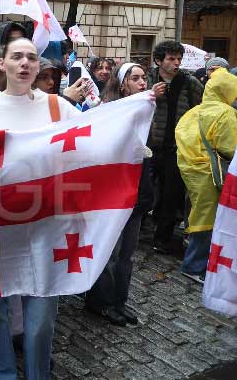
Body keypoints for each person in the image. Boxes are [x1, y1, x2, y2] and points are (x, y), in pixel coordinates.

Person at [0, 38, 82, 380]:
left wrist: (139, 106)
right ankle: (1, 373)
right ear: (1, 63)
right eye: (16, 56)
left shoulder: (57, 107)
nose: (24, 63)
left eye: (31, 58)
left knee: (41, 315)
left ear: (38, 66)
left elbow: (93, 138)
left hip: (47, 223)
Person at [86, 63, 166, 326]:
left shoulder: (145, 111)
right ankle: (101, 302)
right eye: (136, 78)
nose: (143, 82)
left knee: (126, 256)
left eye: (144, 78)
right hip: (112, 195)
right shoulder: (107, 112)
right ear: (123, 85)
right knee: (109, 251)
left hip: (136, 193)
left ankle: (119, 301)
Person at [174, 67, 237, 284]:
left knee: (198, 215)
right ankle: (194, 266)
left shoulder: (195, 110)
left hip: (192, 171)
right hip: (211, 174)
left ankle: (196, 261)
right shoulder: (226, 112)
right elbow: (229, 148)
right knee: (207, 220)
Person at [146, 40, 203, 255]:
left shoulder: (190, 82)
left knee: (172, 194)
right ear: (159, 60)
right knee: (145, 191)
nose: (176, 62)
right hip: (149, 146)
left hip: (176, 149)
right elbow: (132, 102)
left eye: (179, 58)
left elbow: (201, 109)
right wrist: (150, 95)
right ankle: (140, 228)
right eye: (171, 58)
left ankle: (162, 238)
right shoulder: (148, 78)